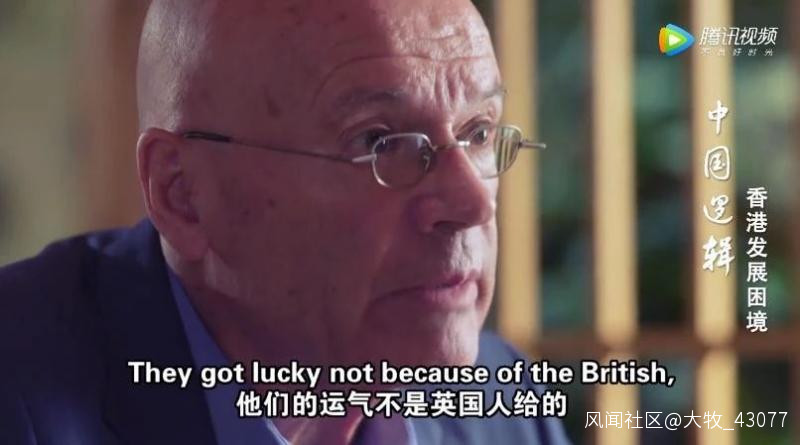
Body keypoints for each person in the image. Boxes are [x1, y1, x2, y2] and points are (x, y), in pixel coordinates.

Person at [0, 0, 569, 443]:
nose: (472, 204)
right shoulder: (22, 396)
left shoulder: (506, 405)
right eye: (379, 142)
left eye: (478, 132)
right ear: (184, 195)